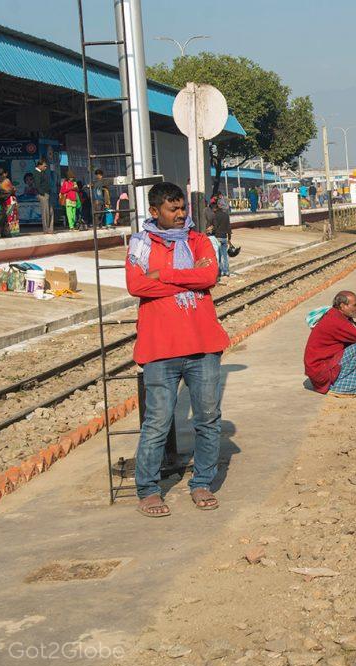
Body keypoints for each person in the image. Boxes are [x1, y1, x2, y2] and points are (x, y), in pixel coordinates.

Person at [125, 182, 230, 517]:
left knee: (208, 419)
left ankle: (202, 482)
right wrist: (187, 275)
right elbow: (135, 284)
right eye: (174, 209)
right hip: (159, 348)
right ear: (155, 212)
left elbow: (209, 275)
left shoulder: (199, 240)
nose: (182, 214)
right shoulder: (140, 244)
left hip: (203, 346)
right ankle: (148, 490)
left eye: (183, 208)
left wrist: (163, 275)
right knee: (157, 421)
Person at [304, 290, 356, 397]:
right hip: (321, 373)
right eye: (355, 305)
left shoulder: (339, 316)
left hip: (321, 370)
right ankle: (341, 388)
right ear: (343, 306)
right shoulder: (336, 321)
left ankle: (341, 384)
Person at [0, 168, 19, 237]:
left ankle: (3, 232)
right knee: (11, 216)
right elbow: (11, 190)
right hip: (9, 200)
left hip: (1, 200)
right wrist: (14, 189)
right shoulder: (7, 180)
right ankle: (12, 232)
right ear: (4, 173)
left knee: (3, 216)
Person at [211, 201, 232, 277]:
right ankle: (226, 271)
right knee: (225, 255)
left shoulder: (215, 215)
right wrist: (229, 238)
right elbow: (229, 227)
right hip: (224, 237)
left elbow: (214, 227)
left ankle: (219, 271)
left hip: (217, 237)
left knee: (218, 255)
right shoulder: (226, 216)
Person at [33, 159, 54, 233]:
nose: (46, 167)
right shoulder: (36, 173)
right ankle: (46, 229)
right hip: (43, 194)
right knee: (45, 212)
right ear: (40, 165)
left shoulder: (43, 172)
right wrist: (42, 193)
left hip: (47, 193)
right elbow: (37, 185)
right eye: (44, 166)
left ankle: (50, 229)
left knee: (50, 211)